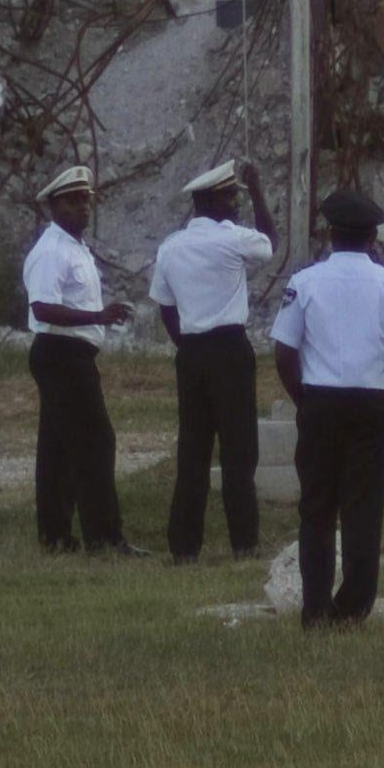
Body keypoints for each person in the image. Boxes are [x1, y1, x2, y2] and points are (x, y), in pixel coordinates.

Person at [267, 189, 384, 626]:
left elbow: (283, 351)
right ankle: (353, 608)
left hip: (319, 400)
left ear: (330, 232)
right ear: (374, 236)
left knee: (316, 507)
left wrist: (303, 399)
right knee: (363, 508)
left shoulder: (305, 282)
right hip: (370, 403)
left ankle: (315, 608)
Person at [147, 158, 280, 561]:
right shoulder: (231, 238)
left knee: (193, 449)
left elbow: (165, 306)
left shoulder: (170, 247)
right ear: (208, 200)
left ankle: (184, 545)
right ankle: (244, 541)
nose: (235, 204)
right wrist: (258, 190)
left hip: (191, 351)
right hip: (229, 348)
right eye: (229, 196)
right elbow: (269, 242)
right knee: (239, 450)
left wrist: (186, 343)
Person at [21, 165, 137, 554]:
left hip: (70, 352)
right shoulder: (51, 250)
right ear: (53, 206)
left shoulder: (75, 248)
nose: (83, 207)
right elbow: (43, 308)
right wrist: (98, 316)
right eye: (72, 201)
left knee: (57, 448)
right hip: (61, 352)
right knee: (95, 442)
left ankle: (55, 536)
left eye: (85, 199)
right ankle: (104, 538)